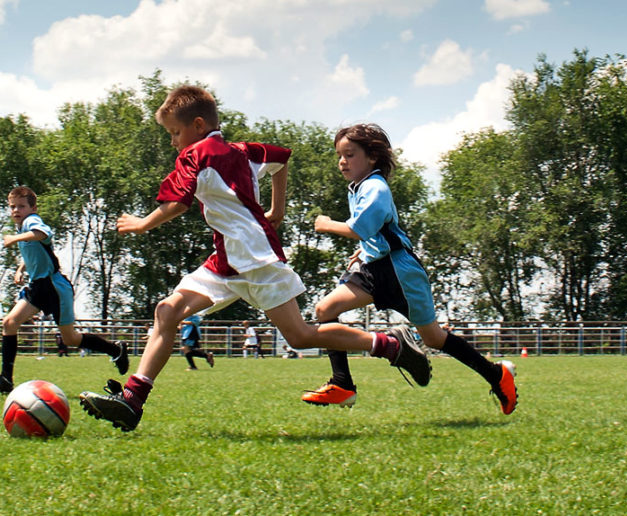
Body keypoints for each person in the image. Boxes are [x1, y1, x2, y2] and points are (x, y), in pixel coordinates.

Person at [79, 85, 431, 432]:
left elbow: (178, 203)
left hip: (258, 261)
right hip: (225, 262)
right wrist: (277, 209)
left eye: (175, 132)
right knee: (167, 311)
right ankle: (133, 401)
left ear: (198, 126)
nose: (173, 141)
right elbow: (281, 158)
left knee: (301, 337)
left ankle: (388, 345)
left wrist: (143, 224)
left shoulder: (196, 155)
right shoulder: (243, 151)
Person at [299, 123, 517, 413]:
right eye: (339, 155)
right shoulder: (359, 187)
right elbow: (377, 231)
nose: (342, 161)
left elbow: (361, 227)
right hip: (373, 268)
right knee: (325, 310)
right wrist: (363, 251)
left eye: (349, 154)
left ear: (372, 157)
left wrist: (326, 224)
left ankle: (496, 375)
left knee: (434, 338)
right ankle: (342, 385)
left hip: (400, 272)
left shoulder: (375, 187)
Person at [0, 186, 129, 394]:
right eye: (12, 207)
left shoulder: (31, 222)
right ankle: (6, 378)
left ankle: (115, 349)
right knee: (9, 323)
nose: (16, 211)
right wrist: (21, 267)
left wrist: (14, 239)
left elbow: (43, 234)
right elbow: (37, 251)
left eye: (21, 206)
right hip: (38, 286)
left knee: (70, 339)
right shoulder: (22, 228)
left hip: (54, 287)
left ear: (33, 208)